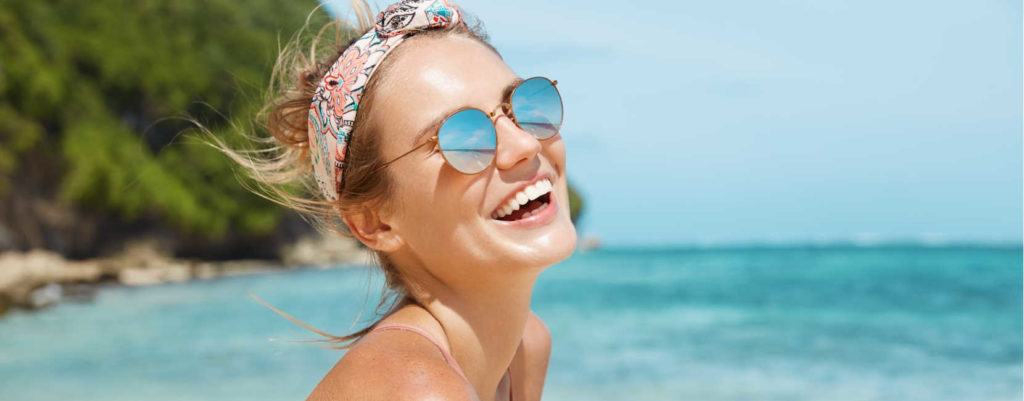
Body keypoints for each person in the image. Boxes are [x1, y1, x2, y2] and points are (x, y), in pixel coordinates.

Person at [213, 0, 577, 399]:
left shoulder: (524, 349)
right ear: (373, 221)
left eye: (521, 108)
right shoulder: (414, 388)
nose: (523, 143)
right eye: (460, 138)